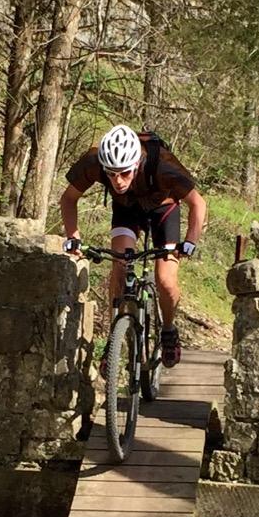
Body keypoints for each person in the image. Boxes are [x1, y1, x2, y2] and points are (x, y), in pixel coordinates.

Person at [59, 124, 207, 367]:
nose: (117, 181)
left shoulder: (162, 164)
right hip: (127, 210)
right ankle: (113, 340)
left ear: (137, 163)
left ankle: (168, 331)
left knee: (166, 281)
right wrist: (73, 236)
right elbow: (68, 198)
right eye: (111, 173)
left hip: (164, 209)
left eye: (125, 173)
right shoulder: (93, 161)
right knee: (120, 265)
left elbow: (198, 203)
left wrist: (190, 241)